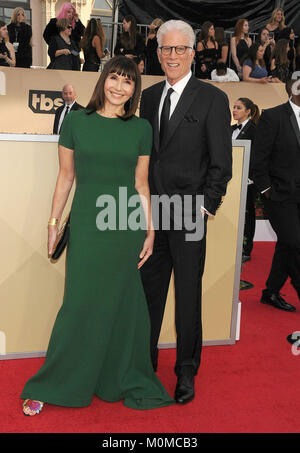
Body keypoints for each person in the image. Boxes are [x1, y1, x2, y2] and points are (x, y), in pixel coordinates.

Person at [21, 55, 174, 416]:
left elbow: (141, 184)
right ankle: (58, 381)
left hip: (125, 224)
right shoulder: (76, 121)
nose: (120, 87)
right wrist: (53, 224)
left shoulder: (140, 129)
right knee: (79, 303)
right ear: (103, 80)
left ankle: (114, 377)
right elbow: (65, 178)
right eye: (115, 79)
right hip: (89, 224)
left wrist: (151, 229)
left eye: (128, 82)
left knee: (121, 304)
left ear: (134, 90)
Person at [139, 19, 232, 405]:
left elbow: (221, 164)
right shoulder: (146, 96)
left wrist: (206, 207)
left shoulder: (211, 98)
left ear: (193, 52)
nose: (172, 56)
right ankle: (143, 364)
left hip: (190, 214)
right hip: (151, 216)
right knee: (148, 294)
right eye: (166, 49)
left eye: (180, 49)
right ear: (158, 53)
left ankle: (186, 371)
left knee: (188, 297)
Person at [251, 76, 300, 312]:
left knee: (286, 245)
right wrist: (266, 190)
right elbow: (258, 158)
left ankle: (270, 292)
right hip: (279, 195)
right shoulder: (274, 116)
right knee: (293, 241)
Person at [232, 98, 260, 262]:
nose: (234, 110)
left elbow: (258, 156)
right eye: (234, 107)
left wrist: (252, 178)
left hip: (247, 182)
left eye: (238, 108)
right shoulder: (229, 129)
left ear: (248, 111)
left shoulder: (255, 131)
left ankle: (246, 249)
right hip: (231, 180)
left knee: (247, 215)